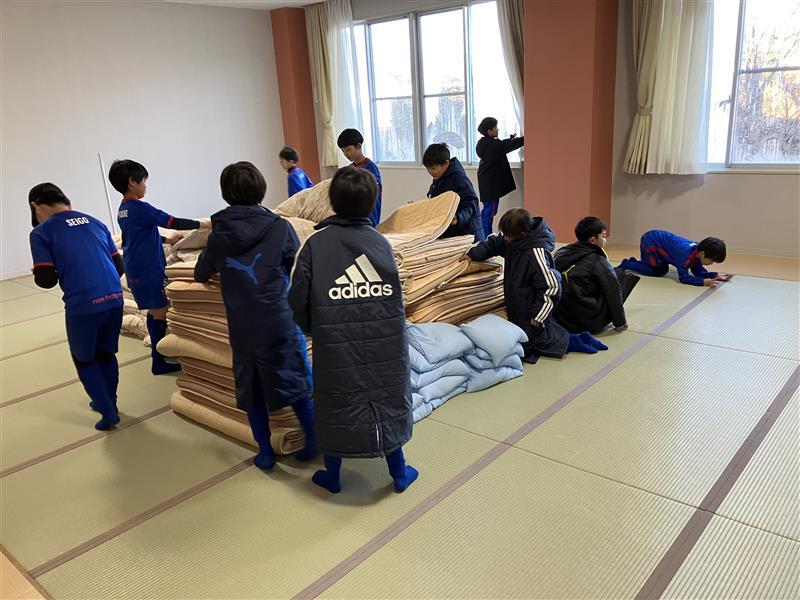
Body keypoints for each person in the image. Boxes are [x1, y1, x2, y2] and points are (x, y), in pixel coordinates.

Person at [289, 166, 417, 494]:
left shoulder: (315, 245)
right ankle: (399, 472)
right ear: (372, 202)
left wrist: (315, 329)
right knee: (387, 399)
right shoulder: (381, 243)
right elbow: (396, 299)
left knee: (336, 403)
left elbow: (297, 298)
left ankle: (333, 475)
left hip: (335, 343)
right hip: (386, 345)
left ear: (332, 201)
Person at [194, 162, 316, 469]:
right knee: (295, 381)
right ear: (261, 190)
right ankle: (313, 440)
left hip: (243, 326)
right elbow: (295, 264)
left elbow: (201, 272)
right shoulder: (280, 227)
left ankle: (265, 452)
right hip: (279, 319)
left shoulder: (219, 234)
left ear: (226, 193)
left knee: (252, 392)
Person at [28, 183, 125, 430]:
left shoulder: (41, 233)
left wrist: (39, 272)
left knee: (83, 358)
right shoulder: (95, 222)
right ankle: (110, 402)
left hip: (83, 304)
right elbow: (119, 267)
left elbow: (46, 280)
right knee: (106, 353)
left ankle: (107, 411)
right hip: (114, 298)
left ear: (35, 206)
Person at [463, 208, 607, 363]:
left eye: (508, 235)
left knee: (537, 342)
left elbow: (551, 286)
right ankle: (575, 338)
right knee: (531, 337)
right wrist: (473, 254)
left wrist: (540, 314)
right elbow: (494, 244)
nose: (505, 238)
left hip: (533, 306)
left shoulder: (536, 253)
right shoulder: (512, 240)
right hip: (519, 301)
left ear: (522, 234)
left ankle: (577, 341)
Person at [110, 159, 210, 375]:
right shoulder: (140, 208)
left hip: (135, 265)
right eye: (143, 181)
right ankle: (158, 360)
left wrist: (167, 240)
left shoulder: (123, 209)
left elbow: (137, 235)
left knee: (155, 309)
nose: (145, 185)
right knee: (161, 310)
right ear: (132, 182)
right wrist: (205, 223)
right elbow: (172, 221)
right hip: (148, 267)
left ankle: (158, 357)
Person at [554, 217, 640, 334]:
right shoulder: (597, 260)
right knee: (623, 275)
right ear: (593, 240)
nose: (605, 240)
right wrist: (620, 321)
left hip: (563, 317)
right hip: (587, 320)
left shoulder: (561, 252)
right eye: (603, 236)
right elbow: (613, 292)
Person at [619, 230, 731, 286]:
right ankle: (627, 264)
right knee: (658, 271)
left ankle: (636, 263)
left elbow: (697, 270)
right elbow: (684, 278)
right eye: (712, 260)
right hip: (651, 241)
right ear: (702, 254)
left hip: (657, 241)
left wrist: (714, 275)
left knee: (662, 269)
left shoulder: (697, 251)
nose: (711, 264)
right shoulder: (686, 255)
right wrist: (702, 282)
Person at [423, 143, 485, 242]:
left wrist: (459, 217)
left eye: (433, 168)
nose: (430, 172)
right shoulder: (439, 178)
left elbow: (471, 202)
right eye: (428, 168)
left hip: (468, 232)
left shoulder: (459, 178)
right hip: (453, 232)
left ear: (446, 164)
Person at [475, 117, 524, 236]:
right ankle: (486, 237)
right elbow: (506, 146)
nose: (498, 129)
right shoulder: (493, 145)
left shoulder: (484, 143)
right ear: (489, 131)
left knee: (487, 210)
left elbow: (502, 145)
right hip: (491, 186)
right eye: (495, 127)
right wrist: (525, 139)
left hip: (486, 183)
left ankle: (482, 234)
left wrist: (510, 139)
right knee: (490, 212)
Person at [337, 128, 382, 226]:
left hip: (368, 218)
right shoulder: (350, 169)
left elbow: (374, 192)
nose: (346, 154)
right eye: (343, 151)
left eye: (348, 150)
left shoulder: (370, 167)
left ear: (358, 146)